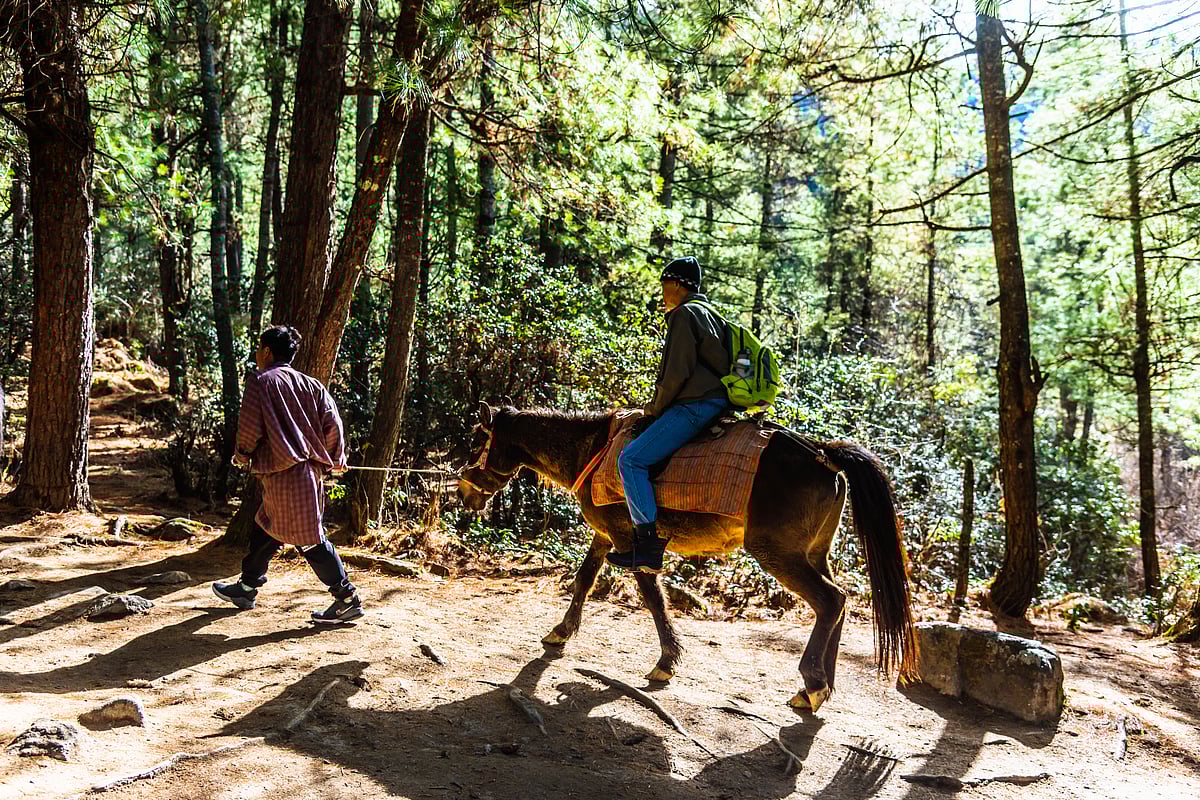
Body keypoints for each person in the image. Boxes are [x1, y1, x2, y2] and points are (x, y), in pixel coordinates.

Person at [213, 325, 364, 623]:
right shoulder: (311, 384)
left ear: (267, 351)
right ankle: (246, 588)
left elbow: (249, 427)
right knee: (265, 525)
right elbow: (333, 423)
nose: (257, 353)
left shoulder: (260, 381)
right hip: (305, 472)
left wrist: (241, 455)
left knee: (309, 538)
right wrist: (335, 459)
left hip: (288, 474)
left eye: (259, 347)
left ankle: (346, 598)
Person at [607, 256, 731, 573]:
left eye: (664, 286)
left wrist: (653, 411)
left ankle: (647, 547)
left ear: (676, 284)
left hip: (694, 406)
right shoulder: (713, 315)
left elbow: (676, 374)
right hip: (717, 403)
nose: (663, 294)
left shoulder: (683, 315)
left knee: (631, 460)